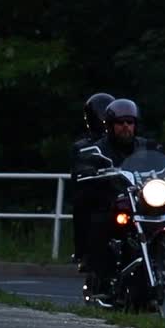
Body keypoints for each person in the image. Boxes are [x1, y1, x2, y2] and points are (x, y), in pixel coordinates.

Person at [73, 99, 159, 292]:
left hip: (143, 200)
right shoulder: (99, 148)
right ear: (111, 126)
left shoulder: (145, 145)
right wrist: (87, 168)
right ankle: (102, 275)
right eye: (120, 123)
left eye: (130, 122)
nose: (126, 126)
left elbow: (164, 157)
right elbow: (83, 163)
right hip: (112, 200)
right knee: (99, 223)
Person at [70, 92, 115, 269]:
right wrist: (87, 170)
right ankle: (85, 252)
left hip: (129, 189)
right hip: (102, 192)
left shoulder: (130, 141)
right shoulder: (84, 146)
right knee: (85, 204)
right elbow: (79, 168)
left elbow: (148, 155)